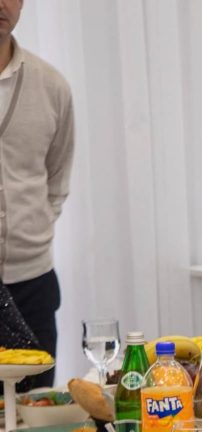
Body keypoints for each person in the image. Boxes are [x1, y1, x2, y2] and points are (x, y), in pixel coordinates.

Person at [0, 0, 74, 390]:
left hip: (32, 282)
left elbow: (57, 179)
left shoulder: (50, 85)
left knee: (37, 407)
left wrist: (33, 228)